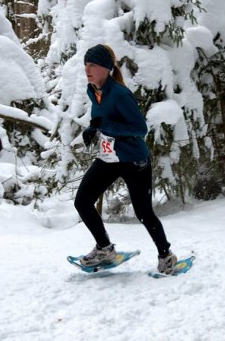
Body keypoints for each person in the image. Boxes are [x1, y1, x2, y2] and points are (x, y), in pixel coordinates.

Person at [74, 44, 177, 274]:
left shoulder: (120, 93)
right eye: (86, 65)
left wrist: (105, 126)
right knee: (82, 201)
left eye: (93, 65)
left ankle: (166, 255)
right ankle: (104, 248)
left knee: (143, 212)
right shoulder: (94, 90)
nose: (87, 70)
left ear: (107, 68)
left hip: (133, 161)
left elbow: (140, 129)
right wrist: (93, 128)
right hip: (109, 158)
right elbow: (101, 118)